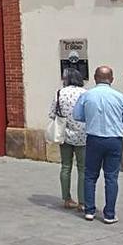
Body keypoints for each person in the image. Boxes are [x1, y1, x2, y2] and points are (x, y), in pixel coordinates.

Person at [74, 66, 123, 224]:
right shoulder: (119, 97)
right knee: (111, 177)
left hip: (94, 138)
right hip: (114, 139)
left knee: (90, 175)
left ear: (95, 78)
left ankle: (89, 211)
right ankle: (109, 213)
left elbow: (77, 115)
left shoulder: (87, 96)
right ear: (112, 79)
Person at [48, 68, 87, 210]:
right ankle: (82, 201)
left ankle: (67, 199)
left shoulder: (60, 93)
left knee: (65, 166)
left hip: (64, 134)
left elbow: (52, 114)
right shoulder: (84, 93)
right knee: (83, 169)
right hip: (83, 134)